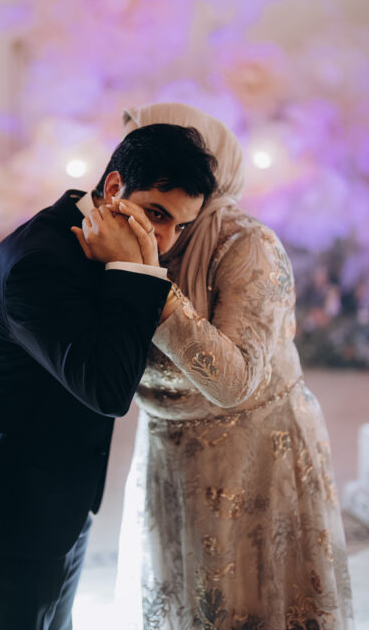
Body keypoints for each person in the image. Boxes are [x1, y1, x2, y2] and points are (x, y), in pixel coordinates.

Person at [0, 122, 217, 630]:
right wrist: (138, 273)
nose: (165, 241)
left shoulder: (97, 241)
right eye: (156, 214)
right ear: (113, 187)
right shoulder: (37, 262)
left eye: (180, 226)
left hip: (63, 499)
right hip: (7, 505)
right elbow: (107, 390)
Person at [113, 103, 354, 629]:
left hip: (257, 452)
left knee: (255, 601)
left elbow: (234, 382)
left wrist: (153, 290)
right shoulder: (122, 227)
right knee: (183, 601)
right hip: (167, 450)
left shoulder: (248, 244)